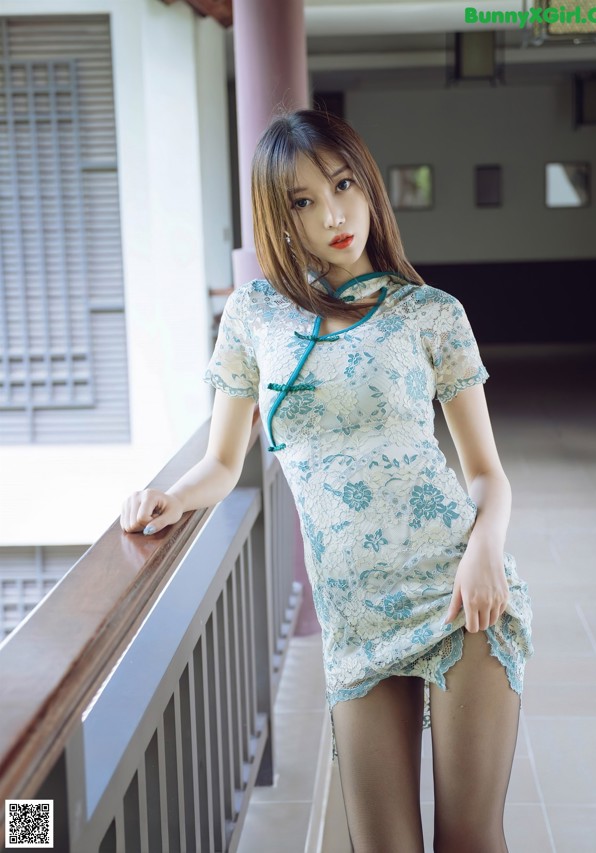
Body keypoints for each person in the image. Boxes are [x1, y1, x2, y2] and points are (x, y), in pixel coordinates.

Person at [120, 108, 534, 853]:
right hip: (355, 618)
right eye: (304, 201)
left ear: (369, 187)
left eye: (343, 185)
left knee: (470, 838)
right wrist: (169, 497)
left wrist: (484, 551)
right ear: (281, 220)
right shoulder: (255, 315)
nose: (334, 214)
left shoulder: (430, 315)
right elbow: (222, 461)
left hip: (457, 589)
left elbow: (487, 474)